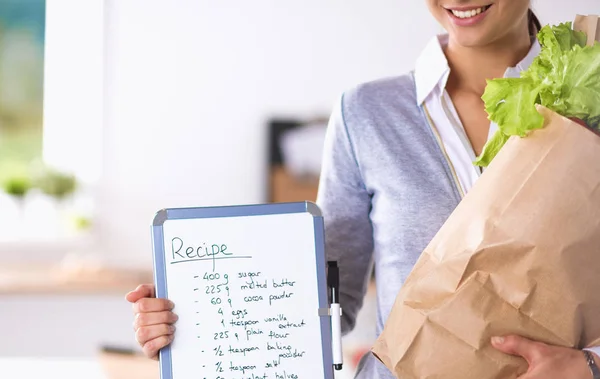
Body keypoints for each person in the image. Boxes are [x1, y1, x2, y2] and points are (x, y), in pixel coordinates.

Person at [126, 1, 600, 378]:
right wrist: (199, 325)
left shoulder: (589, 103)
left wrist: (591, 364)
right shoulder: (366, 114)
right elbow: (327, 304)